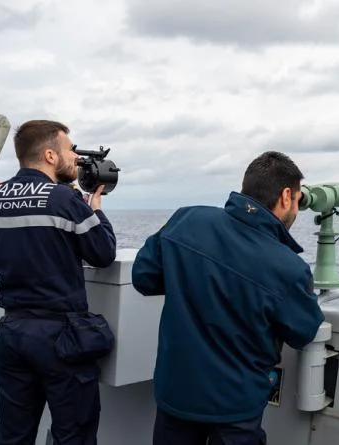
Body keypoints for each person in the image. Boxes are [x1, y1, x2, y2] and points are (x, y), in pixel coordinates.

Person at [132, 151, 325, 445]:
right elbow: (303, 331)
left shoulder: (187, 219)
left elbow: (143, 277)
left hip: (176, 393)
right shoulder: (289, 268)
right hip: (235, 408)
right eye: (298, 200)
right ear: (286, 196)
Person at [0, 120, 117, 445]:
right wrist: (94, 208)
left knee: (14, 434)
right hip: (60, 338)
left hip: (13, 332)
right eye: (70, 150)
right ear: (50, 156)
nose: (76, 159)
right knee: (74, 434)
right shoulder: (63, 200)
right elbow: (103, 252)